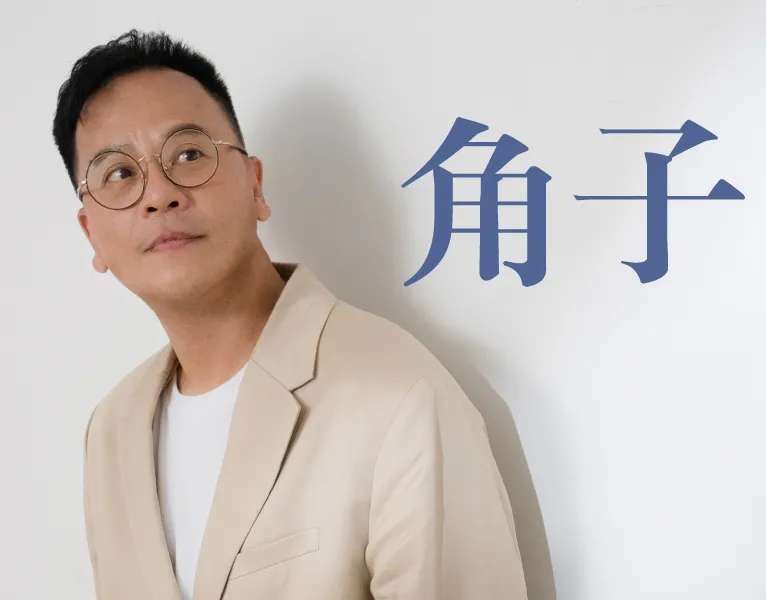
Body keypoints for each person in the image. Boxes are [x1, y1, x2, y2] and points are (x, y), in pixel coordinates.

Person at [52, 28, 530, 600]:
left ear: (255, 185)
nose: (159, 194)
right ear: (92, 235)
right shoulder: (111, 431)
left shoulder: (398, 394)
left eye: (189, 154)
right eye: (119, 174)